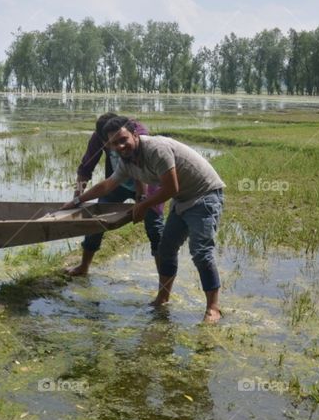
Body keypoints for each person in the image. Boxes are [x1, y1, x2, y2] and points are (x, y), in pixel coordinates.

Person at [63, 116, 226, 323]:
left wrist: (143, 204)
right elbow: (107, 185)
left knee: (200, 251)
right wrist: (77, 200)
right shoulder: (126, 161)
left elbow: (170, 188)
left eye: (124, 139)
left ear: (135, 134)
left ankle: (213, 308)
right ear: (109, 145)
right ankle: (163, 297)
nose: (121, 146)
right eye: (115, 143)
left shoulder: (156, 149)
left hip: (204, 195)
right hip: (181, 199)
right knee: (166, 249)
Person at [64, 113, 165, 276]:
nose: (113, 146)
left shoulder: (136, 133)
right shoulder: (99, 136)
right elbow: (86, 168)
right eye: (108, 143)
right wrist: (77, 199)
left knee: (155, 228)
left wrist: (142, 202)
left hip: (148, 183)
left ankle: (164, 280)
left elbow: (141, 168)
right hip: (118, 182)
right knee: (95, 221)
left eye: (114, 141)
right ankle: (84, 266)